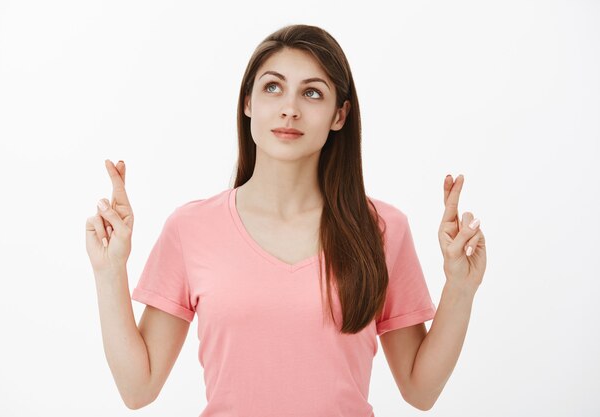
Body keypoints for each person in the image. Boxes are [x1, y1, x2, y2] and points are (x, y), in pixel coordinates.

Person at [85, 24, 487, 416]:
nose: (289, 109)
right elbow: (138, 389)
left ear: (339, 115)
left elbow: (420, 390)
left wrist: (461, 287)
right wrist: (109, 271)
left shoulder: (383, 229)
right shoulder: (190, 229)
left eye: (312, 93)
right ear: (248, 103)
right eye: (272, 87)